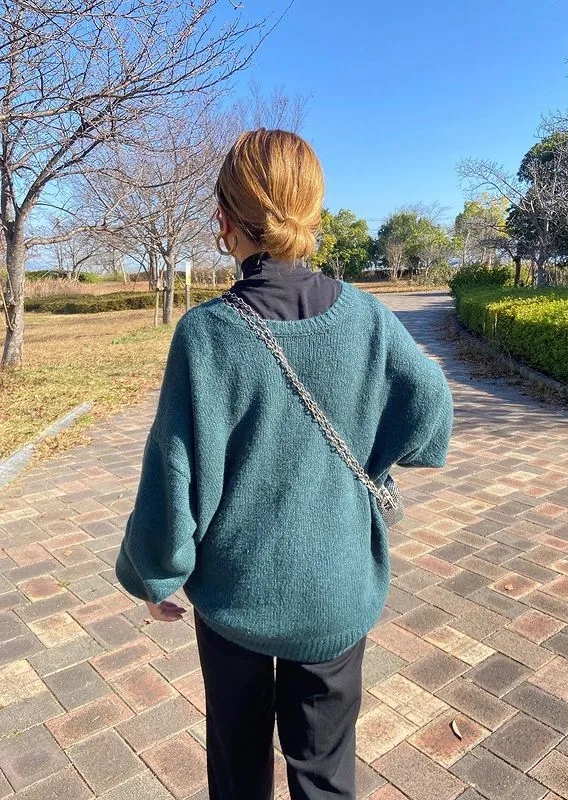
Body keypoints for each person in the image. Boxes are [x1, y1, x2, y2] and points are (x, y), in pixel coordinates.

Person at [115, 128, 453, 800]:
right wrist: (377, 460)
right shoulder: (368, 318)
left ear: (223, 218)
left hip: (235, 596)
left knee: (238, 771)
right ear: (313, 211)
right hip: (338, 591)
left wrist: (155, 573)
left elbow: (175, 473)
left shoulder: (207, 334)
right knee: (325, 774)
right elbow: (431, 407)